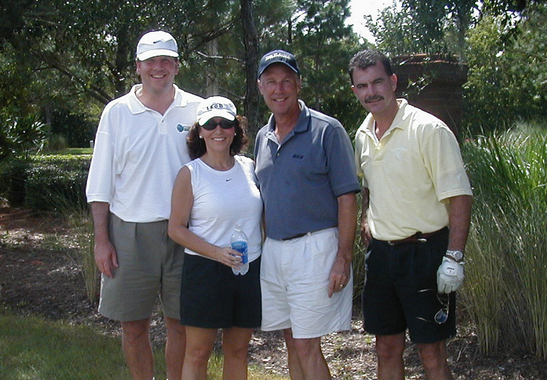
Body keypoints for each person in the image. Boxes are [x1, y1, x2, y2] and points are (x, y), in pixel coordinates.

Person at [348, 48, 473, 380]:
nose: (371, 92)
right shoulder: (362, 135)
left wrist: (454, 258)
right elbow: (367, 185)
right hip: (381, 257)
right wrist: (365, 217)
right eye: (362, 86)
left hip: (424, 254)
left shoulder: (429, 130)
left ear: (392, 81)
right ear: (355, 91)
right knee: (385, 349)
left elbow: (460, 196)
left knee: (431, 353)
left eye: (377, 82)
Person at [85, 30, 203, 380]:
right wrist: (101, 239)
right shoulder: (117, 112)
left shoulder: (197, 108)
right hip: (129, 233)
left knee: (181, 324)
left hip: (186, 232)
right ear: (138, 66)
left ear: (177, 66)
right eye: (151, 60)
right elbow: (101, 182)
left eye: (166, 60)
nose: (159, 67)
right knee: (134, 327)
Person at [254, 49, 360, 380]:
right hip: (275, 251)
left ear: (299, 84)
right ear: (260, 87)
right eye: (271, 82)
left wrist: (343, 257)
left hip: (315, 249)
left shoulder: (327, 130)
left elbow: (347, 198)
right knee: (290, 340)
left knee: (306, 346)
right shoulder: (262, 137)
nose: (279, 89)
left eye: (287, 81)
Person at [167, 96, 262, 380]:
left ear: (236, 129)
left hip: (248, 269)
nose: (217, 130)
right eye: (210, 124)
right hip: (205, 272)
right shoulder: (191, 174)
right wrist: (216, 252)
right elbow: (176, 228)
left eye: (225, 123)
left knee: (238, 351)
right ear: (199, 131)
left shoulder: (250, 167)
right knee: (197, 353)